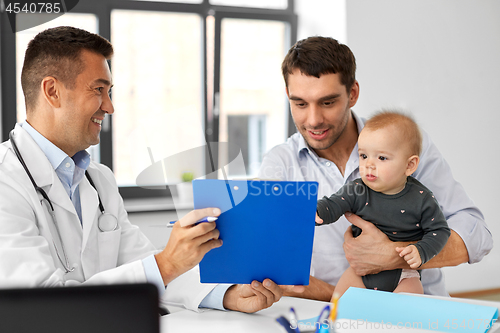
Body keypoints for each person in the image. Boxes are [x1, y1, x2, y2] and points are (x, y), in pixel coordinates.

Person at [0, 26, 288, 314]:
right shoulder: (6, 179)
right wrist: (167, 263)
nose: (110, 107)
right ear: (52, 91)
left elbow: (143, 265)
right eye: (98, 90)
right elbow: (39, 304)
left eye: (109, 92)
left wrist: (227, 295)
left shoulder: (98, 180)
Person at [258, 36, 493, 301]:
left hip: (419, 315)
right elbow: (269, 262)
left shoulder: (404, 144)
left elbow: (477, 234)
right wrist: (344, 297)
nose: (313, 120)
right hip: (334, 315)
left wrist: (395, 255)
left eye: (327, 102)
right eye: (300, 103)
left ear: (353, 94)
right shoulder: (279, 165)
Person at [315, 111, 450, 296]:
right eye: (363, 156)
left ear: (409, 165)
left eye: (382, 158)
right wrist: (318, 211)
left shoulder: (422, 198)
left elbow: (440, 231)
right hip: (360, 274)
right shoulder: (356, 189)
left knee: (406, 312)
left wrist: (421, 251)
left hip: (404, 275)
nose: (369, 164)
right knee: (339, 307)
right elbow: (334, 203)